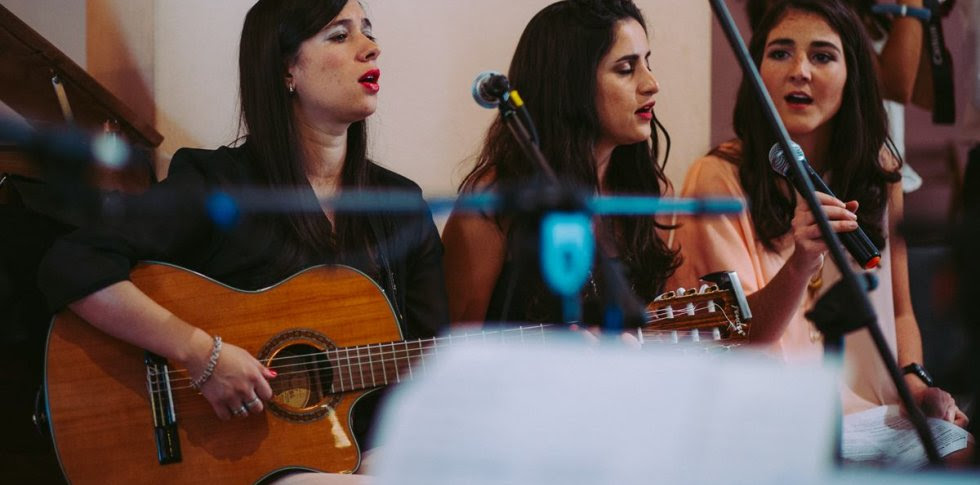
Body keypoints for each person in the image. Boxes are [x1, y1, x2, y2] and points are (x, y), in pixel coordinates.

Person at [37, 0, 447, 478]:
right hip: (249, 466)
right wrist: (199, 355)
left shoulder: (399, 205)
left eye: (368, 32)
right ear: (285, 69)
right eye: (340, 35)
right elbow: (72, 262)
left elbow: (433, 355)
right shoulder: (218, 185)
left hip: (362, 457)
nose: (371, 48)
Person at [670, 0, 968, 463]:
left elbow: (902, 310)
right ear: (757, 68)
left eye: (823, 56)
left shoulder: (880, 170)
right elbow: (739, 341)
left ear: (853, 74)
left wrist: (916, 383)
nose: (800, 72)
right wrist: (802, 260)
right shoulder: (716, 177)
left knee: (959, 455)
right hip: (771, 418)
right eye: (781, 53)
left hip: (875, 412)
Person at [442, 0, 679, 327]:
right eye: (626, 68)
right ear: (570, 83)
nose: (652, 83)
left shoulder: (651, 191)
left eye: (648, 63)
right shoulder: (493, 202)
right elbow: (453, 346)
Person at [747, 0, 936, 193]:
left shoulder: (870, 13)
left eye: (822, 57)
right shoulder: (818, 11)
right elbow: (896, 85)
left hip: (875, 167)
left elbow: (929, 96)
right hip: (812, 170)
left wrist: (926, 11)